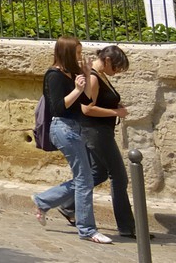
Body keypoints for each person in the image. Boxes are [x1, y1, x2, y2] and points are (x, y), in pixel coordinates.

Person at [32, 36, 111, 244]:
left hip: (75, 128)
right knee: (85, 179)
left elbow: (86, 101)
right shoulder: (54, 76)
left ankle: (43, 200)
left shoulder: (71, 74)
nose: (80, 56)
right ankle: (87, 229)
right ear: (66, 53)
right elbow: (58, 108)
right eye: (77, 53)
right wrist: (76, 89)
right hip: (63, 129)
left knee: (84, 178)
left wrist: (85, 76)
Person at [81, 45, 137, 239]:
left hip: (100, 131)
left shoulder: (100, 75)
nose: (118, 72)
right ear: (107, 61)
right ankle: (127, 227)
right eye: (117, 67)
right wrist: (116, 112)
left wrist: (115, 104)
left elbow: (102, 101)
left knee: (97, 174)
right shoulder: (94, 77)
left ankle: (66, 203)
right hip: (96, 132)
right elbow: (87, 109)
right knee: (119, 176)